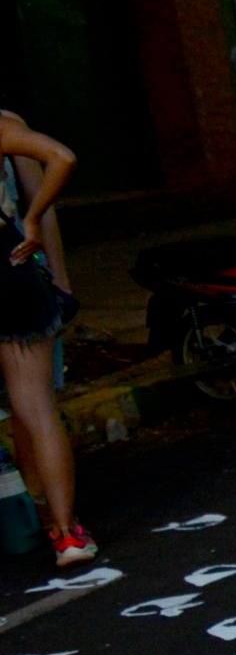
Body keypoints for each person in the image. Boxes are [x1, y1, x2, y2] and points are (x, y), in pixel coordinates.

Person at [0, 113, 90, 566]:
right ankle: (66, 531)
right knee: (34, 405)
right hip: (8, 267)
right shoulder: (4, 126)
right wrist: (32, 222)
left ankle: (30, 514)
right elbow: (62, 157)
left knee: (26, 409)